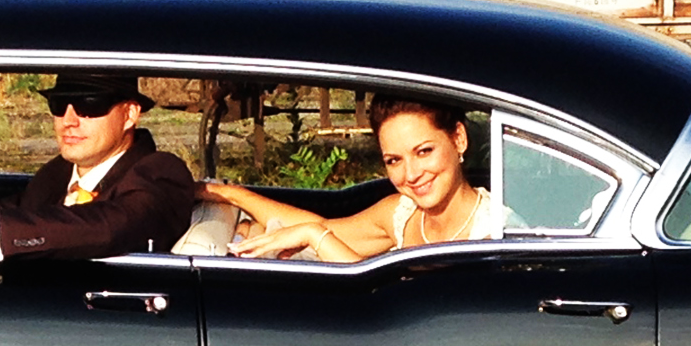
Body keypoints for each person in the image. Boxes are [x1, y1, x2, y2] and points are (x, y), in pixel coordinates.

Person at [0, 69, 197, 263]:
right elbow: (11, 212)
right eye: (59, 104)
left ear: (130, 114)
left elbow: (107, 227)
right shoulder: (57, 173)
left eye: (89, 105)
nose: (68, 120)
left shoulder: (160, 171)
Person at [201, 97, 503, 262]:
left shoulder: (494, 236)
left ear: (459, 139)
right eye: (394, 160)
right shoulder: (403, 211)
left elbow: (399, 306)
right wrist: (231, 196)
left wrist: (313, 237)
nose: (411, 175)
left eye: (424, 151)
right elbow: (325, 228)